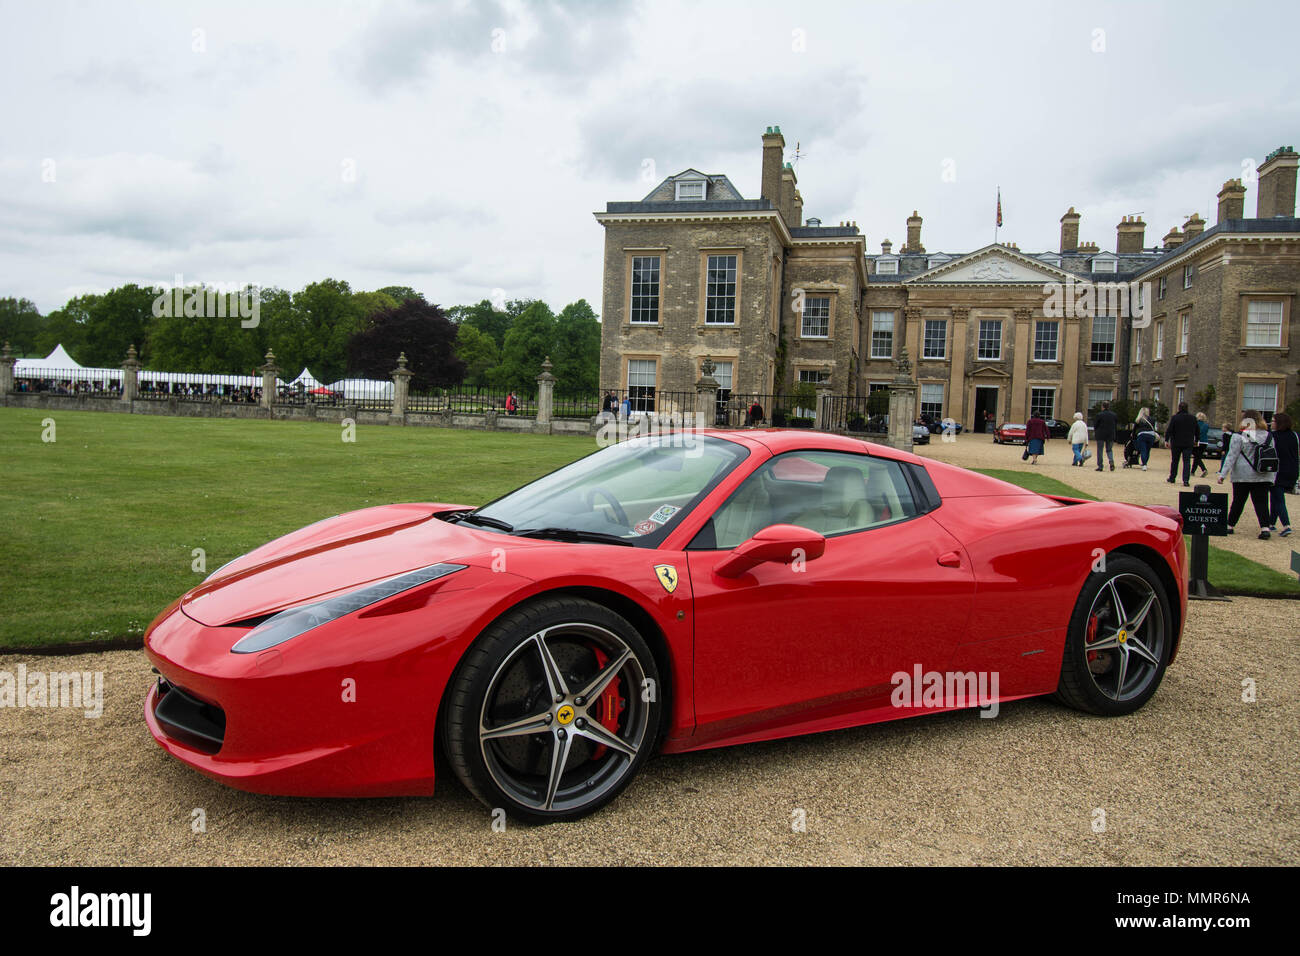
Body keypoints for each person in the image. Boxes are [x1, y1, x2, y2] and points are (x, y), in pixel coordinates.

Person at [1218, 413, 1276, 539]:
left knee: (1238, 501)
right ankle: (1265, 528)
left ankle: (1230, 525)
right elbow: (1272, 455)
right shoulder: (1268, 436)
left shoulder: (1239, 436)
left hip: (1242, 474)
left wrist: (1223, 474)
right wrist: (1273, 477)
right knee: (1262, 503)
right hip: (1263, 474)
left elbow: (1232, 456)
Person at [1267, 412, 1297, 537]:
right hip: (1292, 470)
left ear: (1279, 423)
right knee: (1276, 496)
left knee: (1278, 499)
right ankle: (1271, 523)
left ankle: (1286, 525)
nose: (1271, 423)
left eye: (1273, 421)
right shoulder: (1294, 435)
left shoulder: (1273, 436)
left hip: (1278, 470)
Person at [1165, 401, 1198, 486]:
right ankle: (1186, 480)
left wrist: (1166, 440)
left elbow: (1170, 429)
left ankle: (1172, 477)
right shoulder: (1193, 418)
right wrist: (1197, 440)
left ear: (1179, 408)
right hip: (1188, 442)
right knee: (1187, 462)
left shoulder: (1175, 417)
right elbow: (1197, 430)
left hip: (1176, 442)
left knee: (1175, 461)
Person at [1094, 401, 1118, 472]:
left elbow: (1095, 425)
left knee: (1100, 450)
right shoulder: (1114, 415)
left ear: (1102, 406)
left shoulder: (1099, 415)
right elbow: (1115, 424)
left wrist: (1096, 432)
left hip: (1100, 434)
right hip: (1111, 434)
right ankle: (1111, 461)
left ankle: (1100, 466)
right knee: (1109, 449)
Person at [1133, 406, 1158, 471]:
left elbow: (1134, 430)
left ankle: (1144, 464)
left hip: (1142, 435)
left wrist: (1133, 437)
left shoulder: (1139, 419)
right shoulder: (1152, 419)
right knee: (1147, 450)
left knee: (1143, 450)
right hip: (1151, 435)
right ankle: (1145, 463)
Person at [1190, 412, 1211, 478]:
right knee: (1197, 457)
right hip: (1204, 442)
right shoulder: (1206, 425)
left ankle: (1204, 469)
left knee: (1196, 456)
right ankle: (1192, 471)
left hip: (1197, 441)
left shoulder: (1194, 424)